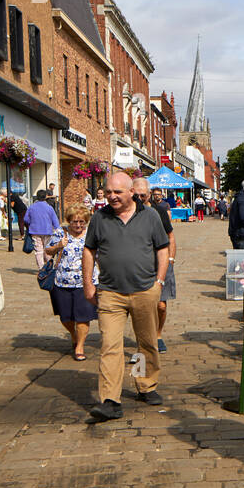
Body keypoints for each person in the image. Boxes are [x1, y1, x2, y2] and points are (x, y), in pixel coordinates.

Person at [82, 170, 170, 422]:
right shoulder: (100, 217)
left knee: (145, 343)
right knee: (110, 346)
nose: (112, 197)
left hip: (144, 290)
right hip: (110, 293)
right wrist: (88, 284)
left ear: (132, 192)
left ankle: (145, 385)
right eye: (108, 192)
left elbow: (162, 249)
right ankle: (110, 399)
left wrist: (159, 281)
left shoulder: (150, 216)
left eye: (117, 192)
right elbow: (89, 251)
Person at [44, 205, 99, 360]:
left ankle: (80, 346)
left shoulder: (90, 234)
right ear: (69, 221)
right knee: (65, 317)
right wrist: (58, 246)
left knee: (83, 316)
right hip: (62, 281)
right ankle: (73, 335)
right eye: (75, 221)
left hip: (86, 282)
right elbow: (48, 250)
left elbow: (101, 254)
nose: (78, 225)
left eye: (82, 221)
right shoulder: (60, 232)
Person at [134, 177, 175, 354]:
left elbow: (170, 236)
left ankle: (158, 335)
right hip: (138, 265)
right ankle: (142, 340)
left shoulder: (159, 212)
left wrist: (171, 259)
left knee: (161, 305)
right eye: (136, 194)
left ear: (149, 195)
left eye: (143, 195)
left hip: (160, 263)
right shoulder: (128, 213)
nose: (140, 198)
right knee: (140, 306)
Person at [23, 190, 61, 270]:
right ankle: (49, 266)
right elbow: (55, 221)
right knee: (47, 249)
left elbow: (26, 219)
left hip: (35, 231)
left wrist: (31, 222)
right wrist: (58, 230)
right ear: (45, 197)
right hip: (48, 231)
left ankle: (41, 268)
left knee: (38, 250)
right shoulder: (49, 208)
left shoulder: (31, 207)